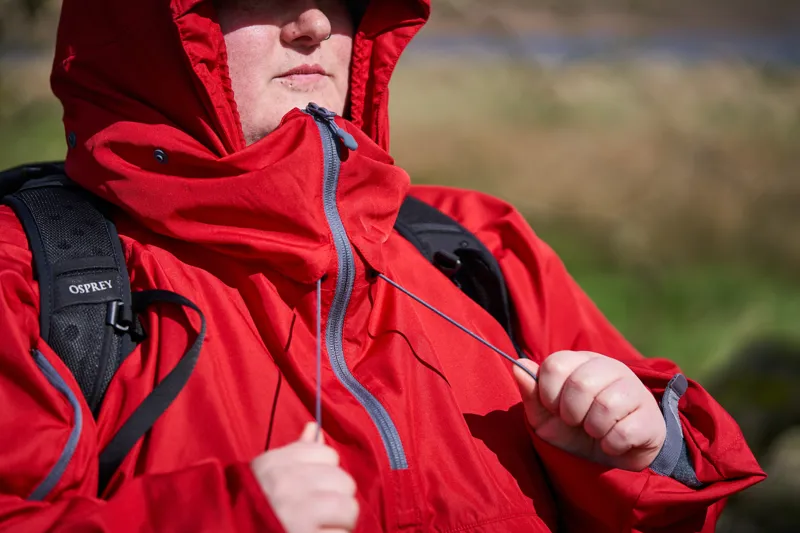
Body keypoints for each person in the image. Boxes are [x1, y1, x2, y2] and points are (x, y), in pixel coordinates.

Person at [0, 0, 764, 532]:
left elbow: (683, 488)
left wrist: (637, 451)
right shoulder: (35, 275)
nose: (314, 22)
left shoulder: (476, 246)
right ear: (146, 26)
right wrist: (224, 515)